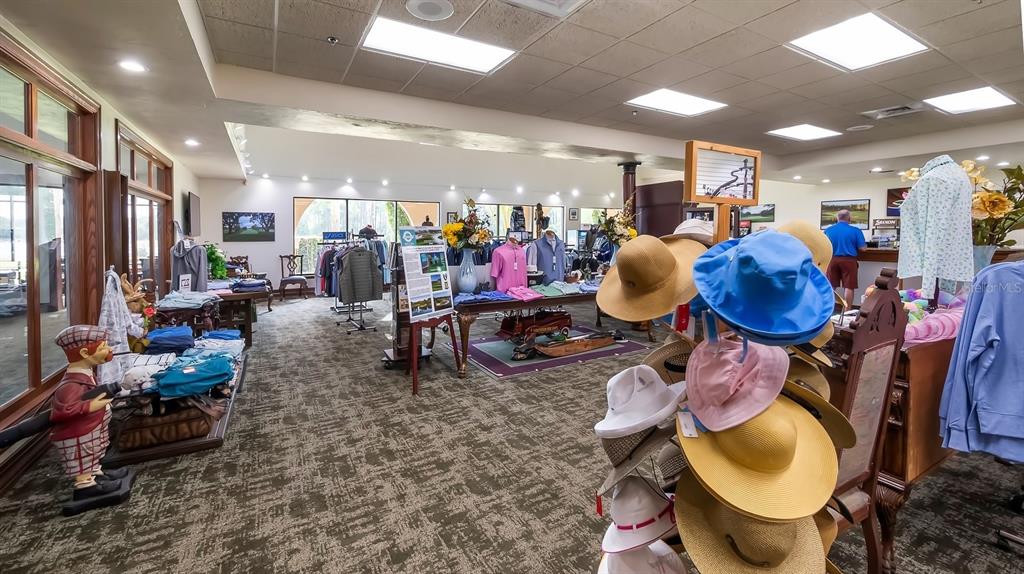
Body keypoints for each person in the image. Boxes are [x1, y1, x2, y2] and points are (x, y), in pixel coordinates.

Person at [823, 209, 866, 309]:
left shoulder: (828, 230)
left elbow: (824, 246)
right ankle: (847, 311)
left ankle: (828, 309)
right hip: (849, 261)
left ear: (837, 218)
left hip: (832, 260)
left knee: (831, 287)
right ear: (849, 218)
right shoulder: (856, 231)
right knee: (849, 287)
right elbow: (862, 248)